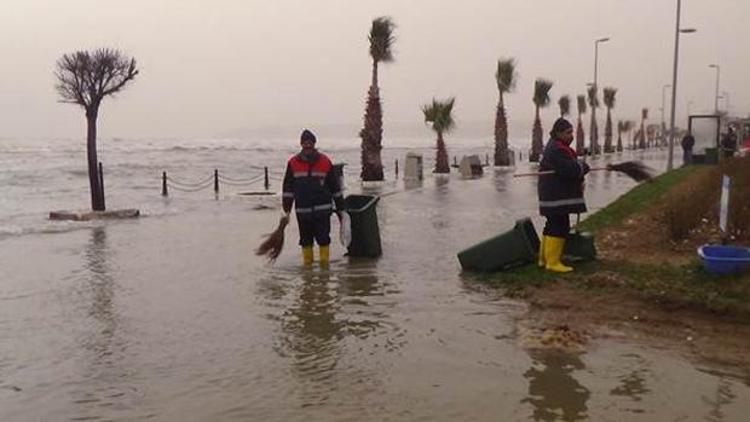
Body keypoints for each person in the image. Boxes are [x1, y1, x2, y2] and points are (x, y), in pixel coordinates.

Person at [282, 129, 345, 266]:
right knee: (305, 241)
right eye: (305, 143)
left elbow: (335, 189)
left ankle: (324, 270)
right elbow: (288, 189)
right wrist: (286, 210)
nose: (308, 146)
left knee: (323, 240)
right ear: (301, 144)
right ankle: (308, 271)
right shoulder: (293, 163)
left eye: (310, 142)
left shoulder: (325, 162)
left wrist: (341, 210)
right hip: (303, 212)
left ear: (314, 143)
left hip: (322, 211)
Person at [537, 118, 590, 273]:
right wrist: (583, 167)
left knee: (552, 225)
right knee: (559, 226)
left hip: (553, 195)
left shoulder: (555, 146)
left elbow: (571, 167)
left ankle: (543, 259)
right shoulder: (557, 150)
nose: (571, 135)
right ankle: (552, 262)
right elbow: (570, 169)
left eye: (572, 132)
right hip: (556, 196)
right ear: (558, 133)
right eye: (568, 133)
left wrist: (579, 167)